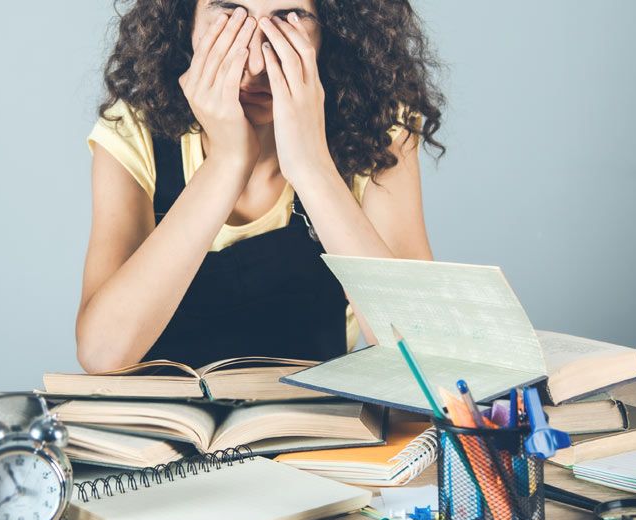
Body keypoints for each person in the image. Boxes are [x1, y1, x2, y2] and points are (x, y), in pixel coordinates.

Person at [75, 0, 446, 373]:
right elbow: (102, 354)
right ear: (184, 20)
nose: (255, 63)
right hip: (163, 423)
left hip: (315, 424)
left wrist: (311, 166)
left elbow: (423, 360)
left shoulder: (381, 130)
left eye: (289, 17)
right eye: (230, 12)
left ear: (332, 29)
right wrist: (227, 163)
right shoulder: (133, 129)